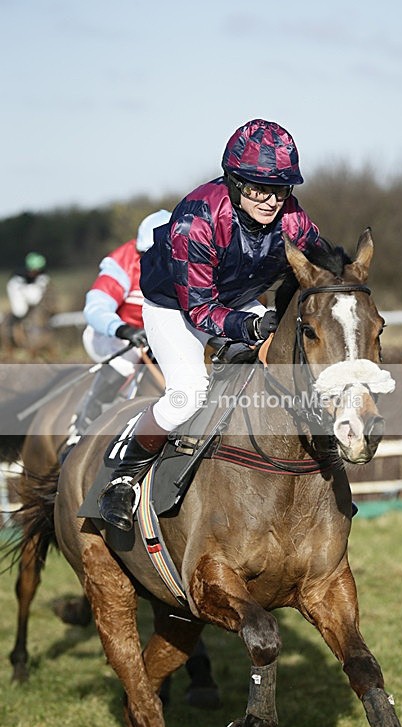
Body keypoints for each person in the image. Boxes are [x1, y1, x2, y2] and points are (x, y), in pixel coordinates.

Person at [98, 118, 321, 532]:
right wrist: (250, 328)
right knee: (188, 393)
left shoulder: (292, 218)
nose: (271, 200)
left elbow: (321, 268)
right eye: (258, 188)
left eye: (280, 189)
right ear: (235, 182)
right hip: (175, 308)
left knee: (293, 363)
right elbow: (201, 311)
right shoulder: (196, 218)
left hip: (233, 300)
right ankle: (123, 479)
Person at [68, 210, 171, 441]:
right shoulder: (122, 263)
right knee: (126, 360)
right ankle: (83, 427)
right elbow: (95, 308)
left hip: (155, 337)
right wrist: (125, 330)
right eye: (147, 254)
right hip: (113, 336)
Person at [5, 252, 50, 345]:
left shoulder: (42, 277)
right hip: (18, 289)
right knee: (20, 311)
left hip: (27, 290)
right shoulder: (18, 278)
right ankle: (13, 327)